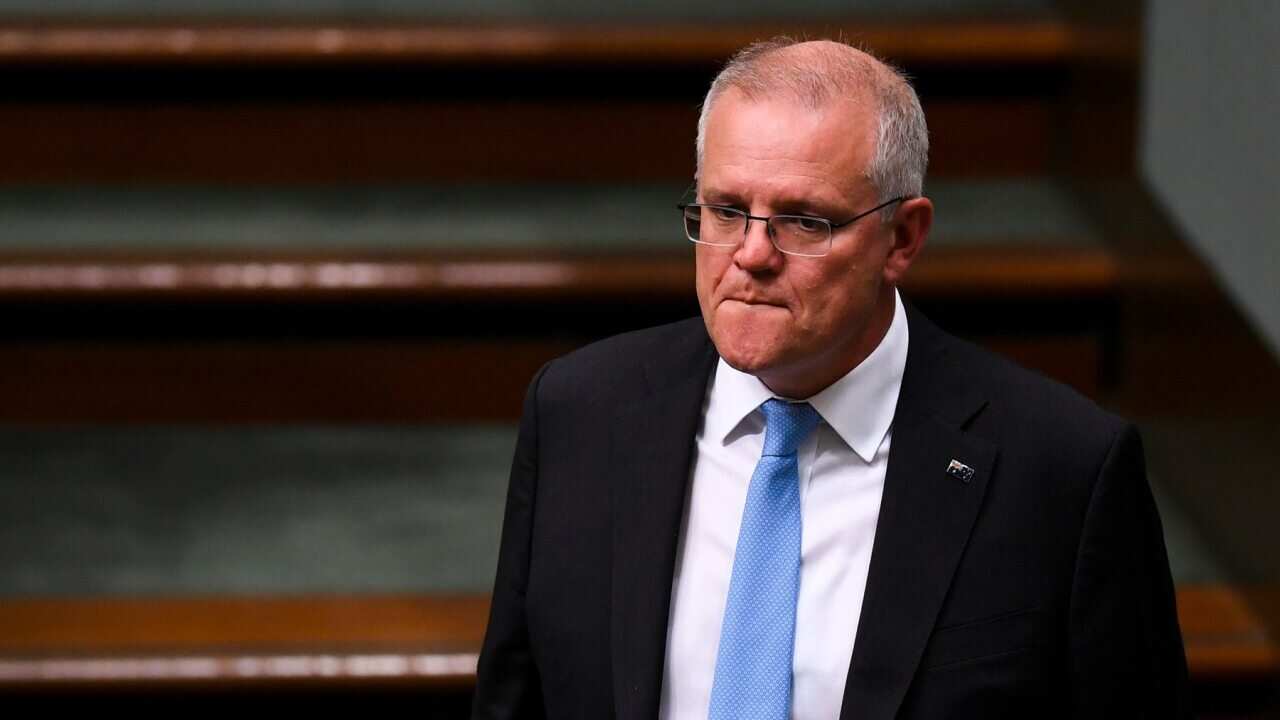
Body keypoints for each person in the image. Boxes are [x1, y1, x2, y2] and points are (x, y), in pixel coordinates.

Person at [472, 38, 1188, 719]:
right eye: (726, 211)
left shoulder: (1063, 472)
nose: (750, 254)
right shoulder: (579, 411)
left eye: (803, 222)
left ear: (902, 239)